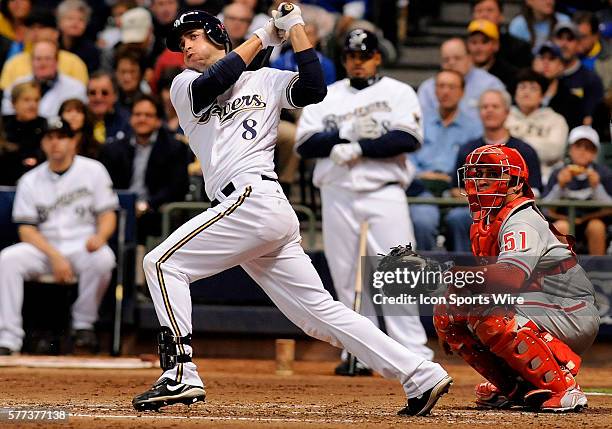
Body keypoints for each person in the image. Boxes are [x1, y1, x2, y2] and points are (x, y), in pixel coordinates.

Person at [131, 7, 451, 415]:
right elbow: (218, 78)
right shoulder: (184, 84)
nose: (185, 47)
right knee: (317, 316)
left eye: (192, 36)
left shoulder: (266, 79)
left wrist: (295, 27)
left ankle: (180, 373)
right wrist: (266, 34)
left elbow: (316, 88)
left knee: (161, 263)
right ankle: (419, 373)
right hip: (247, 208)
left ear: (216, 34)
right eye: (180, 43)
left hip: (255, 199)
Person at [296, 28, 433, 373]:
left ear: (377, 57)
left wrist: (359, 148)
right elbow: (304, 144)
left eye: (364, 55)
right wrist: (343, 135)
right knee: (347, 277)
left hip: (383, 191)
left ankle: (413, 353)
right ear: (344, 60)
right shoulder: (327, 96)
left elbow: (407, 138)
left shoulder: (398, 92)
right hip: (337, 193)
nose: (357, 62)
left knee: (398, 273)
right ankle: (358, 354)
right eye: (351, 56)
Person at [434, 144, 599, 412]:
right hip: (540, 304)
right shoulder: (487, 220)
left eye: (492, 173)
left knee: (487, 311)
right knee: (449, 313)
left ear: (515, 183)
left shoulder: (521, 219)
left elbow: (509, 278)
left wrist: (455, 277)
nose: (481, 180)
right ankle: (516, 387)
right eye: (477, 173)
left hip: (569, 310)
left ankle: (564, 388)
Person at [0, 116, 118, 356]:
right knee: (7, 260)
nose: (55, 143)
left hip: (82, 244)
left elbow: (108, 215)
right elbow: (26, 230)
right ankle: (9, 338)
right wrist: (54, 256)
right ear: (43, 143)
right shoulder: (30, 180)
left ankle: (84, 325)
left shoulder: (93, 171)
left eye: (62, 137)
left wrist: (101, 236)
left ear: (73, 141)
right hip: (44, 247)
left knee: (104, 258)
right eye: (50, 138)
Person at [445, 89, 542, 252]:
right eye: (484, 107)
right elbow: (456, 189)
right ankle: (466, 271)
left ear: (507, 112)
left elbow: (534, 192)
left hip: (514, 212)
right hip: (474, 213)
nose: (489, 110)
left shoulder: (524, 151)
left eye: (495, 106)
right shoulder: (467, 150)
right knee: (457, 218)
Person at [99, 94, 189, 244]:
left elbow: (177, 187)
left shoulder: (174, 148)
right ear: (130, 118)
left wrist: (146, 205)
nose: (142, 119)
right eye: (138, 114)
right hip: (121, 209)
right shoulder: (113, 149)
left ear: (158, 120)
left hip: (156, 210)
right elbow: (107, 184)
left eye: (148, 115)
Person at [411, 69, 482, 250]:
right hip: (421, 187)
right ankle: (425, 273)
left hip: (457, 190)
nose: (445, 91)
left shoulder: (474, 127)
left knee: (462, 219)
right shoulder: (419, 121)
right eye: (441, 86)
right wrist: (421, 174)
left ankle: (462, 274)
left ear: (462, 92)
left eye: (451, 87)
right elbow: (407, 157)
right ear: (434, 91)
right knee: (423, 221)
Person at [544, 126, 612, 255]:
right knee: (561, 226)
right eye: (578, 146)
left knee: (596, 226)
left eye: (588, 148)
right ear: (570, 149)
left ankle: (597, 271)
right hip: (564, 220)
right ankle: (565, 271)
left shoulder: (604, 174)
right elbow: (545, 209)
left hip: (593, 222)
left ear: (595, 153)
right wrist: (560, 186)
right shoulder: (558, 172)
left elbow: (609, 209)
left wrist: (597, 187)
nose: (582, 151)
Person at [417, 37, 505, 125]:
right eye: (446, 59)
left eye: (457, 58)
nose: (451, 63)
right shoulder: (427, 88)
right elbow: (421, 123)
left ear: (470, 58)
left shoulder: (490, 85)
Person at [0, 9, 88, 92]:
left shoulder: (74, 62)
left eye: (41, 27)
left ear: (55, 32)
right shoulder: (14, 63)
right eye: (30, 27)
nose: (35, 32)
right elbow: (6, 98)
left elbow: (79, 98)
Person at [505, 69, 568, 184]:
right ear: (515, 94)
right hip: (508, 177)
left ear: (542, 96)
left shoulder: (556, 120)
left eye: (533, 88)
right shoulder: (504, 117)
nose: (526, 92)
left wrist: (517, 143)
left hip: (546, 178)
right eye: (522, 87)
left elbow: (554, 151)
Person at [1, 40, 87, 117]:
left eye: (48, 59)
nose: (43, 63)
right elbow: (7, 112)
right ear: (31, 62)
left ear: (57, 61)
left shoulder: (75, 87)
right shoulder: (17, 85)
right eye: (38, 59)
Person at [553, 22, 604, 125]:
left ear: (578, 44)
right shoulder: (544, 75)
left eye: (570, 39)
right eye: (560, 38)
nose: (564, 44)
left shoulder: (590, 79)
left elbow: (590, 117)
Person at [0, 81, 45, 185]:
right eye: (26, 100)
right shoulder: (3, 126)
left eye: (36, 100)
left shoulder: (45, 126)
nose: (33, 104)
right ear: (13, 103)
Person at [533, 41, 585, 129]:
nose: (545, 63)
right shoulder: (520, 95)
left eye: (552, 58)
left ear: (561, 66)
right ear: (533, 63)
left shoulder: (572, 103)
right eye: (542, 58)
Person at [471, 0, 533, 68]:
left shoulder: (519, 48)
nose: (484, 15)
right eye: (479, 11)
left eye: (490, 10)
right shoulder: (464, 49)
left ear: (501, 16)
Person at [466, 19, 518, 95]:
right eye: (474, 42)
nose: (478, 48)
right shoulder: (461, 73)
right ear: (467, 45)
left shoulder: (510, 75)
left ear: (496, 45)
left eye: (484, 42)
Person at [86, 70, 131, 144]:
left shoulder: (127, 122)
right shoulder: (80, 121)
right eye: (92, 93)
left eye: (104, 93)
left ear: (115, 96)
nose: (98, 98)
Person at [57, 0, 101, 74]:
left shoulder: (91, 50)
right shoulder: (52, 45)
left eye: (81, 20)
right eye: (70, 18)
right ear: (59, 21)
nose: (75, 23)